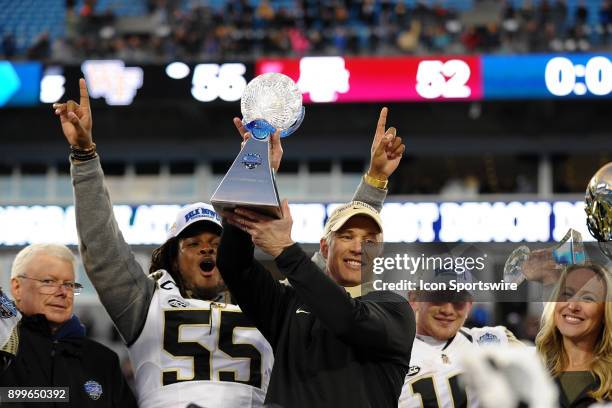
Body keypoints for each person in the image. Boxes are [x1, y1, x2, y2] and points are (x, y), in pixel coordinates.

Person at [52, 79, 403, 407]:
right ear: (172, 257)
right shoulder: (145, 302)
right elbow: (102, 250)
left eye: (215, 241)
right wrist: (84, 156)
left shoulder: (273, 303)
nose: (208, 249)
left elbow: (337, 261)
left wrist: (372, 184)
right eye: (194, 243)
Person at [217, 197, 415, 407]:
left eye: (370, 242)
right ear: (324, 248)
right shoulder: (289, 304)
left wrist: (286, 251)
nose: (359, 248)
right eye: (347, 237)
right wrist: (259, 185)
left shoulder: (395, 309)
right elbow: (234, 265)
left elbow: (348, 319)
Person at [0, 243, 137, 407]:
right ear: (17, 287)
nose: (63, 292)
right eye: (49, 281)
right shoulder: (5, 351)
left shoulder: (104, 361)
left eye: (69, 284)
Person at [399, 270, 522, 408]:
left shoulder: (490, 339)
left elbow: (547, 363)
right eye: (438, 296)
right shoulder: (392, 354)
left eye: (459, 300)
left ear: (469, 305)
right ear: (414, 299)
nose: (448, 310)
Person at [536, 263, 612, 407]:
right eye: (567, 294)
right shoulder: (532, 369)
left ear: (605, 312)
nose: (572, 306)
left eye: (588, 298)